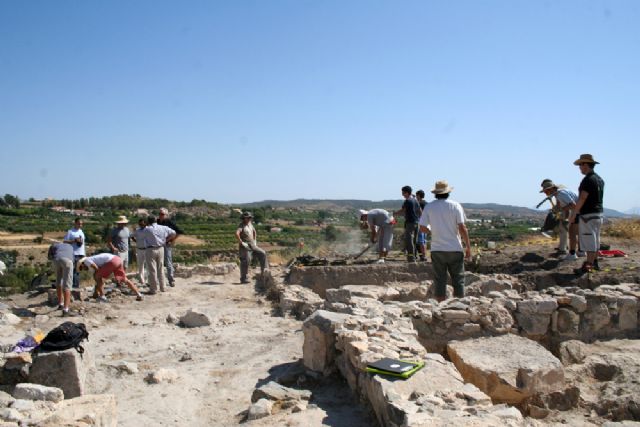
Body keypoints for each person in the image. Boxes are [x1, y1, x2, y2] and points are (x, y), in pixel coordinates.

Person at [418, 180, 472, 302]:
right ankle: (460, 305)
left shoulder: (429, 206)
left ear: (435, 193)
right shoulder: (455, 205)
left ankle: (440, 306)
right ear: (448, 192)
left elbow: (422, 227)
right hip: (455, 248)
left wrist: (433, 232)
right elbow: (462, 228)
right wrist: (468, 247)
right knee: (458, 279)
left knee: (440, 280)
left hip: (437, 249)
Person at [569, 154, 605, 274]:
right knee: (595, 240)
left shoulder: (588, 180)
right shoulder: (600, 179)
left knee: (589, 240)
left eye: (580, 165)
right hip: (599, 214)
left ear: (585, 164)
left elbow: (583, 198)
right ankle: (594, 263)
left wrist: (574, 213)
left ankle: (588, 265)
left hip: (588, 215)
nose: (579, 167)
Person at [77, 253, 143, 302]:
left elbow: (96, 268)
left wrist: (97, 275)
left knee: (97, 276)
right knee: (124, 279)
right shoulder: (93, 259)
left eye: (81, 268)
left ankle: (102, 297)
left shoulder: (86, 261)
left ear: (82, 264)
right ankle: (138, 294)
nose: (83, 269)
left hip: (111, 261)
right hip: (118, 260)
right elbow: (98, 271)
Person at [539, 180, 579, 259]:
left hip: (578, 211)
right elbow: (560, 205)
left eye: (545, 191)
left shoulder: (561, 194)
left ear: (550, 189)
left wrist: (562, 210)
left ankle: (565, 251)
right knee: (563, 228)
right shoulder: (558, 194)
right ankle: (564, 249)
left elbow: (573, 205)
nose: (545, 194)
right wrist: (556, 209)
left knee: (566, 230)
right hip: (574, 211)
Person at [142, 215, 177, 294]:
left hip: (150, 249)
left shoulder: (146, 230)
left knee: (152, 270)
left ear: (148, 221)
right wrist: (166, 240)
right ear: (155, 220)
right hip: (161, 248)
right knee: (160, 268)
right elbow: (174, 233)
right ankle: (163, 287)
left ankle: (153, 289)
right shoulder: (163, 228)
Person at [235, 211, 268, 284]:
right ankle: (243, 279)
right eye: (248, 218)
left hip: (252, 244)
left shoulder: (250, 224)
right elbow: (237, 233)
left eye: (250, 217)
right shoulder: (241, 225)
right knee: (246, 261)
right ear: (244, 218)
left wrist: (255, 240)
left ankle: (264, 272)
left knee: (263, 253)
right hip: (245, 246)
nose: (249, 219)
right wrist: (241, 242)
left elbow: (254, 231)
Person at [394, 186, 421, 262]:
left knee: (409, 241)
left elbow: (403, 210)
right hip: (417, 222)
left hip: (410, 223)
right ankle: (415, 257)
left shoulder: (407, 201)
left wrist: (395, 213)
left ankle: (411, 258)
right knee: (415, 241)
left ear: (406, 192)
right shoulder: (415, 200)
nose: (402, 194)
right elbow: (420, 210)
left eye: (403, 192)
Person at [158, 208, 184, 287]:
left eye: (162, 214)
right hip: (159, 244)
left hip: (166, 244)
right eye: (160, 214)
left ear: (166, 215)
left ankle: (171, 280)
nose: (160, 215)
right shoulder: (158, 222)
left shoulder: (169, 222)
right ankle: (160, 280)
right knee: (159, 262)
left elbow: (179, 232)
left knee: (168, 262)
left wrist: (172, 240)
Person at [47, 242, 75, 316]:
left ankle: (60, 304)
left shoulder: (55, 245)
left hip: (56, 259)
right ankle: (66, 310)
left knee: (58, 281)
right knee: (67, 284)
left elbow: (49, 256)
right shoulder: (71, 246)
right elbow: (72, 258)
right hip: (67, 260)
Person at [63, 217, 86, 289]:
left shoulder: (81, 231)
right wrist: (74, 241)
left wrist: (84, 254)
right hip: (74, 253)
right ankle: (74, 286)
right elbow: (65, 241)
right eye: (79, 224)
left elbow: (83, 243)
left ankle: (76, 285)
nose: (80, 225)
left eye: (81, 224)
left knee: (78, 270)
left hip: (81, 254)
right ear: (75, 223)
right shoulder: (70, 231)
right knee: (74, 270)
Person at [130, 217, 148, 287]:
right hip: (139, 249)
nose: (141, 225)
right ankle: (142, 280)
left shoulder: (148, 230)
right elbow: (131, 236)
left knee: (148, 265)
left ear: (145, 224)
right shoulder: (137, 230)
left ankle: (148, 280)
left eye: (142, 224)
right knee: (141, 266)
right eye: (140, 224)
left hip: (147, 249)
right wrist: (135, 241)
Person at [415, 190, 428, 261]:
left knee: (420, 241)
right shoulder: (426, 203)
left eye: (417, 195)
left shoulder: (418, 203)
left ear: (419, 196)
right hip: (426, 223)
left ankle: (423, 256)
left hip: (420, 222)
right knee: (424, 241)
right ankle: (424, 255)